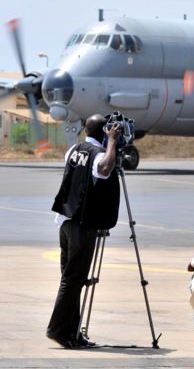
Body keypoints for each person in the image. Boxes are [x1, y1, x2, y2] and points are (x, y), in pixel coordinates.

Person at [46, 114, 121, 349]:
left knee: (71, 280)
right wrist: (113, 142)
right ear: (103, 132)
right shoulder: (98, 153)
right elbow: (106, 168)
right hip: (81, 224)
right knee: (73, 279)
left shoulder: (74, 149)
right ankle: (58, 330)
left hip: (65, 221)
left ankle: (72, 331)